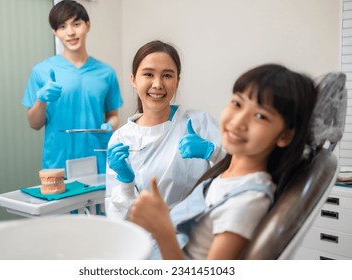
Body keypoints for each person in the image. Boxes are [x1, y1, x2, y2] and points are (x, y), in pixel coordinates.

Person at [129, 63, 318, 260]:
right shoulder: (227, 176)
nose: (237, 122)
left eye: (260, 116)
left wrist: (162, 230)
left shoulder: (247, 201)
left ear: (285, 136)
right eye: (237, 104)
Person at [105, 40, 224, 219]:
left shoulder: (199, 123)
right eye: (148, 74)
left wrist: (214, 153)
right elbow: (118, 218)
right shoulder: (121, 139)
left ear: (177, 81)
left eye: (167, 75)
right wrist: (125, 183)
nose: (158, 84)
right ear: (133, 80)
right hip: (146, 235)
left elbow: (241, 172)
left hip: (193, 230)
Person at [21, 0, 123, 174]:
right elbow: (34, 124)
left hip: (97, 162)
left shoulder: (106, 73)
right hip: (57, 165)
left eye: (76, 24)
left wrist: (110, 127)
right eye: (62, 27)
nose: (70, 32)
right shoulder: (41, 71)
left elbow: (113, 116)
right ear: (55, 32)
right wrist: (41, 99)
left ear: (87, 25)